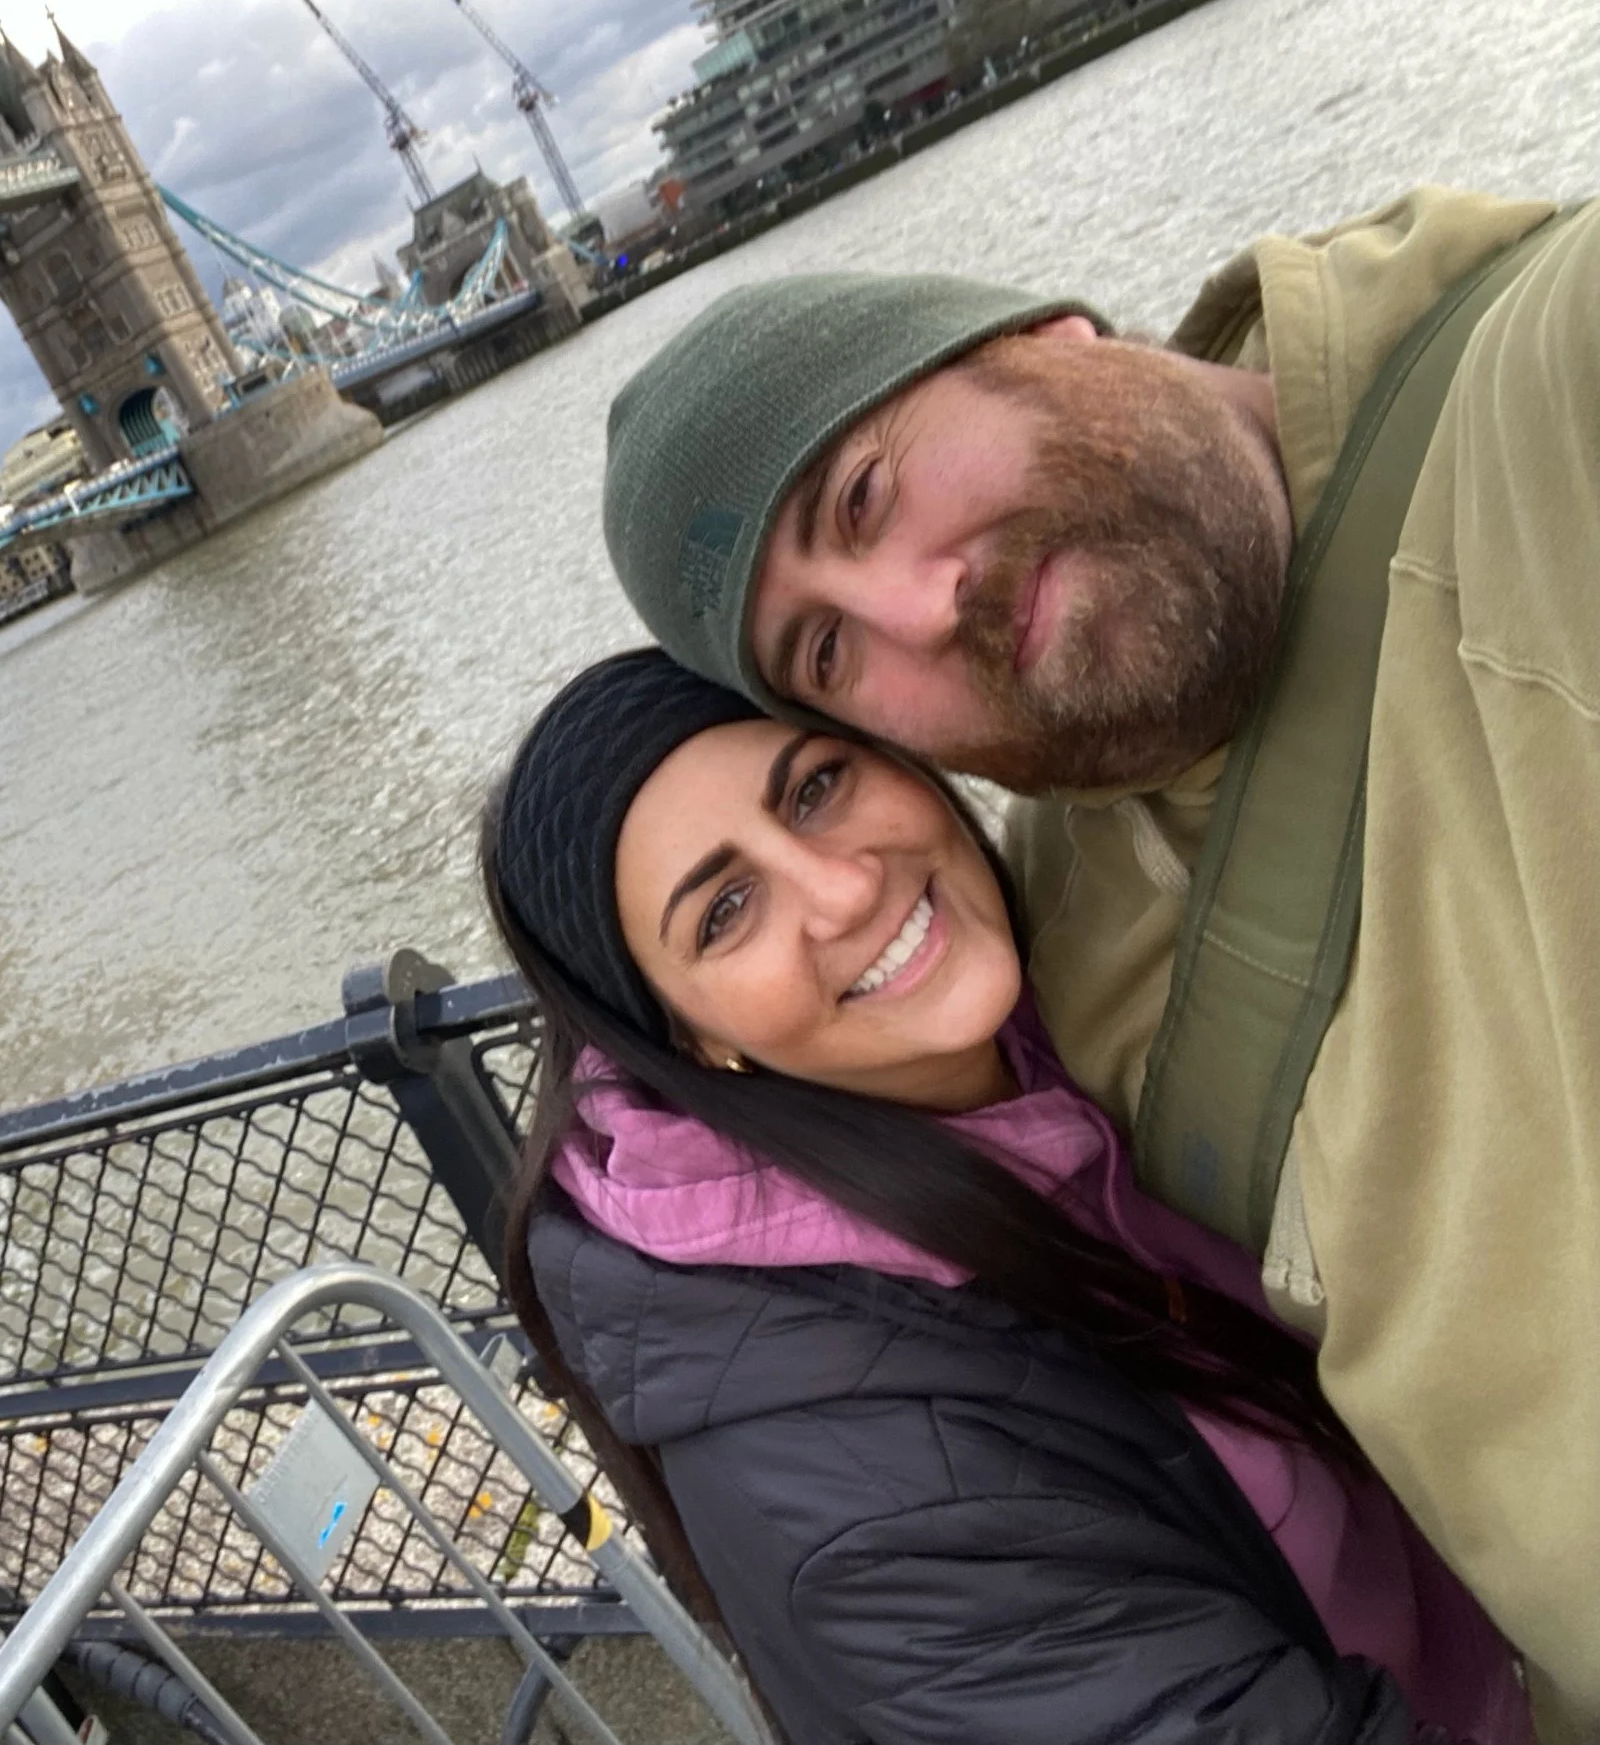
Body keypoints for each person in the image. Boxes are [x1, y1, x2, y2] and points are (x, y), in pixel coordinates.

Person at [595, 190, 1598, 1726]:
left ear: (1040, 333)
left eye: (865, 496)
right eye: (827, 656)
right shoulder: (1052, 948)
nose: (918, 606)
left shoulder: (1544, 405)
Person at [483, 649, 1528, 1741]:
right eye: (726, 909)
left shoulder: (1066, 1013)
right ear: (691, 1042)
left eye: (815, 786)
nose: (842, 888)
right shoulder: (873, 1502)